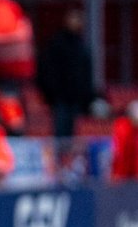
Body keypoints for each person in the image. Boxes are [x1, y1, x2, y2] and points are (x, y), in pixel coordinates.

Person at [37, 8, 96, 139]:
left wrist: (87, 95)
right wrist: (51, 92)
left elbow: (86, 73)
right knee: (61, 134)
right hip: (60, 98)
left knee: (74, 135)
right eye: (73, 19)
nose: (76, 23)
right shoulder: (56, 43)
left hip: (77, 98)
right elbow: (46, 70)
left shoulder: (81, 45)